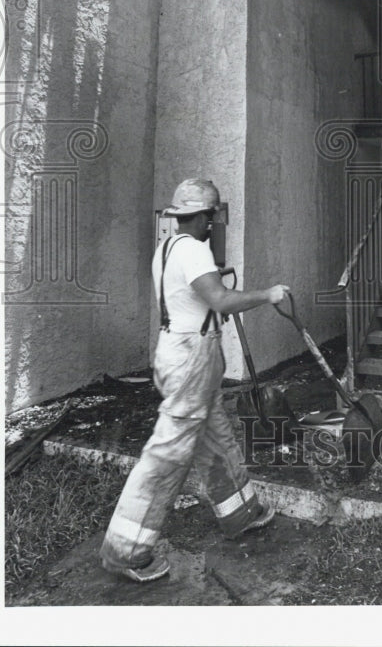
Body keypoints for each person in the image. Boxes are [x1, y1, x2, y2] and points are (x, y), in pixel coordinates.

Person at [100, 178, 289, 583]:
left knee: (215, 436)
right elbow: (221, 300)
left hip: (181, 352)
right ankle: (126, 551)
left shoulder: (166, 249)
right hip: (191, 359)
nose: (213, 223)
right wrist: (268, 294)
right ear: (202, 216)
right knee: (168, 453)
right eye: (212, 216)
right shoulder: (194, 250)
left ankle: (242, 513)